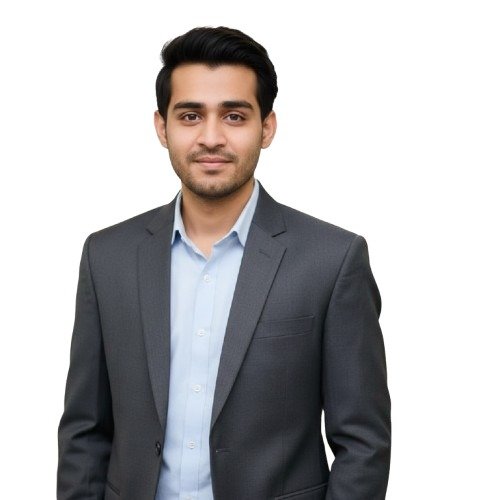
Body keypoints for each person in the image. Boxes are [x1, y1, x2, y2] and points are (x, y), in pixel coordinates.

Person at [57, 26, 391, 500]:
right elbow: (84, 432)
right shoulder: (107, 257)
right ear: (162, 127)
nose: (211, 137)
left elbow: (363, 444)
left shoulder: (332, 261)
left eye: (234, 116)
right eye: (190, 115)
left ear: (267, 127)